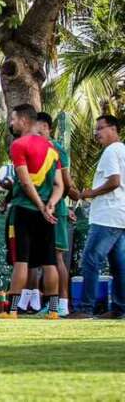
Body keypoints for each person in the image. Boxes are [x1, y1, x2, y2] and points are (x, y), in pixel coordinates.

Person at [0, 104, 63, 320]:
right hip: (47, 212)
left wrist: (40, 205)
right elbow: (59, 185)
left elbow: (25, 183)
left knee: (21, 260)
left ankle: (13, 310)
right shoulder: (52, 149)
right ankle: (53, 311)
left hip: (25, 210)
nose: (11, 123)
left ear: (24, 121)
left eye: (14, 119)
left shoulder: (19, 145)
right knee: (49, 261)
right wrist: (50, 204)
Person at [68, 114, 125, 319]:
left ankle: (85, 308)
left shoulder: (111, 151)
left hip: (107, 216)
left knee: (91, 259)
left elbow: (114, 181)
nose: (96, 133)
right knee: (119, 265)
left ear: (113, 129)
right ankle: (119, 308)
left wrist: (88, 193)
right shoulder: (123, 150)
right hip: (119, 215)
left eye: (100, 128)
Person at [36, 111, 78, 317]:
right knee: (45, 259)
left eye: (36, 126)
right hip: (39, 210)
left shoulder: (57, 150)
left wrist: (61, 202)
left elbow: (66, 183)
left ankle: (62, 302)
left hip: (55, 210)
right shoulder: (34, 148)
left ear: (44, 127)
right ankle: (49, 303)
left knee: (56, 257)